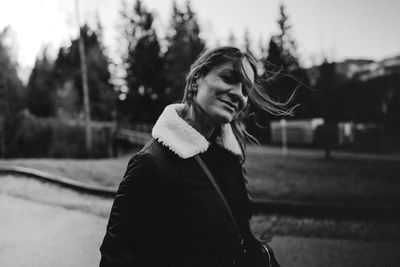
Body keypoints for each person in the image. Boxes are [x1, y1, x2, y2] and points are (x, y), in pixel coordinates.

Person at [100, 46, 284, 266]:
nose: (239, 94)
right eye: (228, 78)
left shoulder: (229, 159)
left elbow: (238, 238)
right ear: (197, 79)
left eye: (246, 90)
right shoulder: (151, 164)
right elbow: (118, 255)